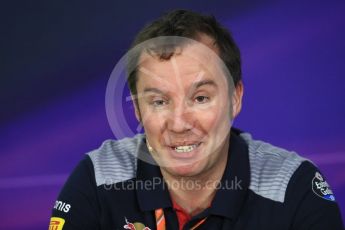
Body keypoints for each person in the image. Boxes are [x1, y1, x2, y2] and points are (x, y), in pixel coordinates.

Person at [49, 9, 344, 230]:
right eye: (160, 101)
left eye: (200, 98)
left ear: (235, 98)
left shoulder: (294, 187)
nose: (179, 124)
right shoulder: (98, 176)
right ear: (138, 111)